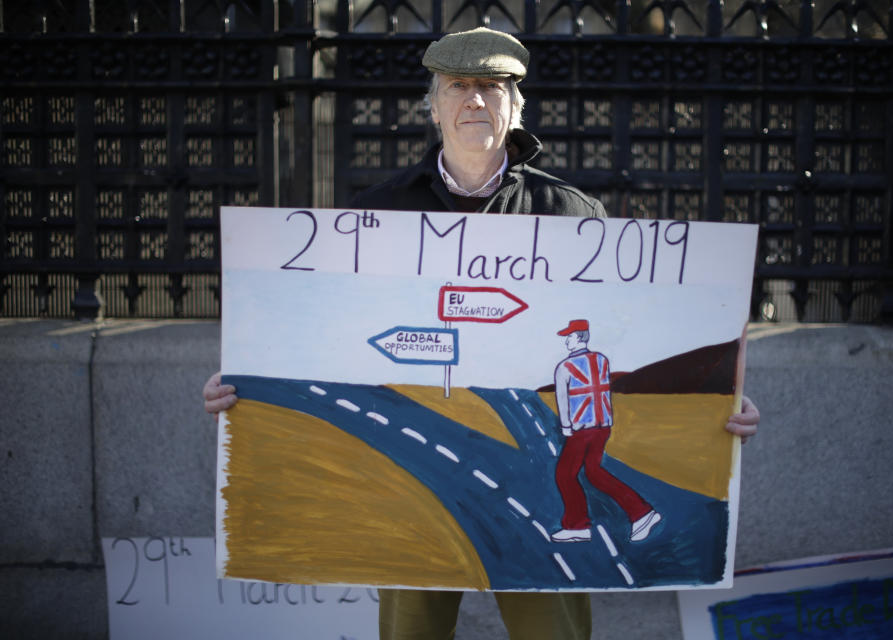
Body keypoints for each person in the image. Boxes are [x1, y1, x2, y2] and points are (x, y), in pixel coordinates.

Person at [203, 26, 761, 640]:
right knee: (410, 627)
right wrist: (246, 378)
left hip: (545, 446)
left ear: (515, 106)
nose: (475, 100)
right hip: (412, 500)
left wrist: (717, 394)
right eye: (459, 86)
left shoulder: (571, 215)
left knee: (553, 627)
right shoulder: (376, 213)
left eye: (491, 87)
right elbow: (321, 324)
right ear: (435, 105)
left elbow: (632, 331)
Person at [552, 319, 661, 544]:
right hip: (603, 427)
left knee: (565, 474)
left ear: (580, 336)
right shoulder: (601, 359)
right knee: (593, 471)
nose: (566, 341)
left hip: (582, 429)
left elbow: (563, 400)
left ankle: (577, 526)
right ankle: (640, 513)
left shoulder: (564, 367)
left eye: (569, 337)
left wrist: (566, 427)